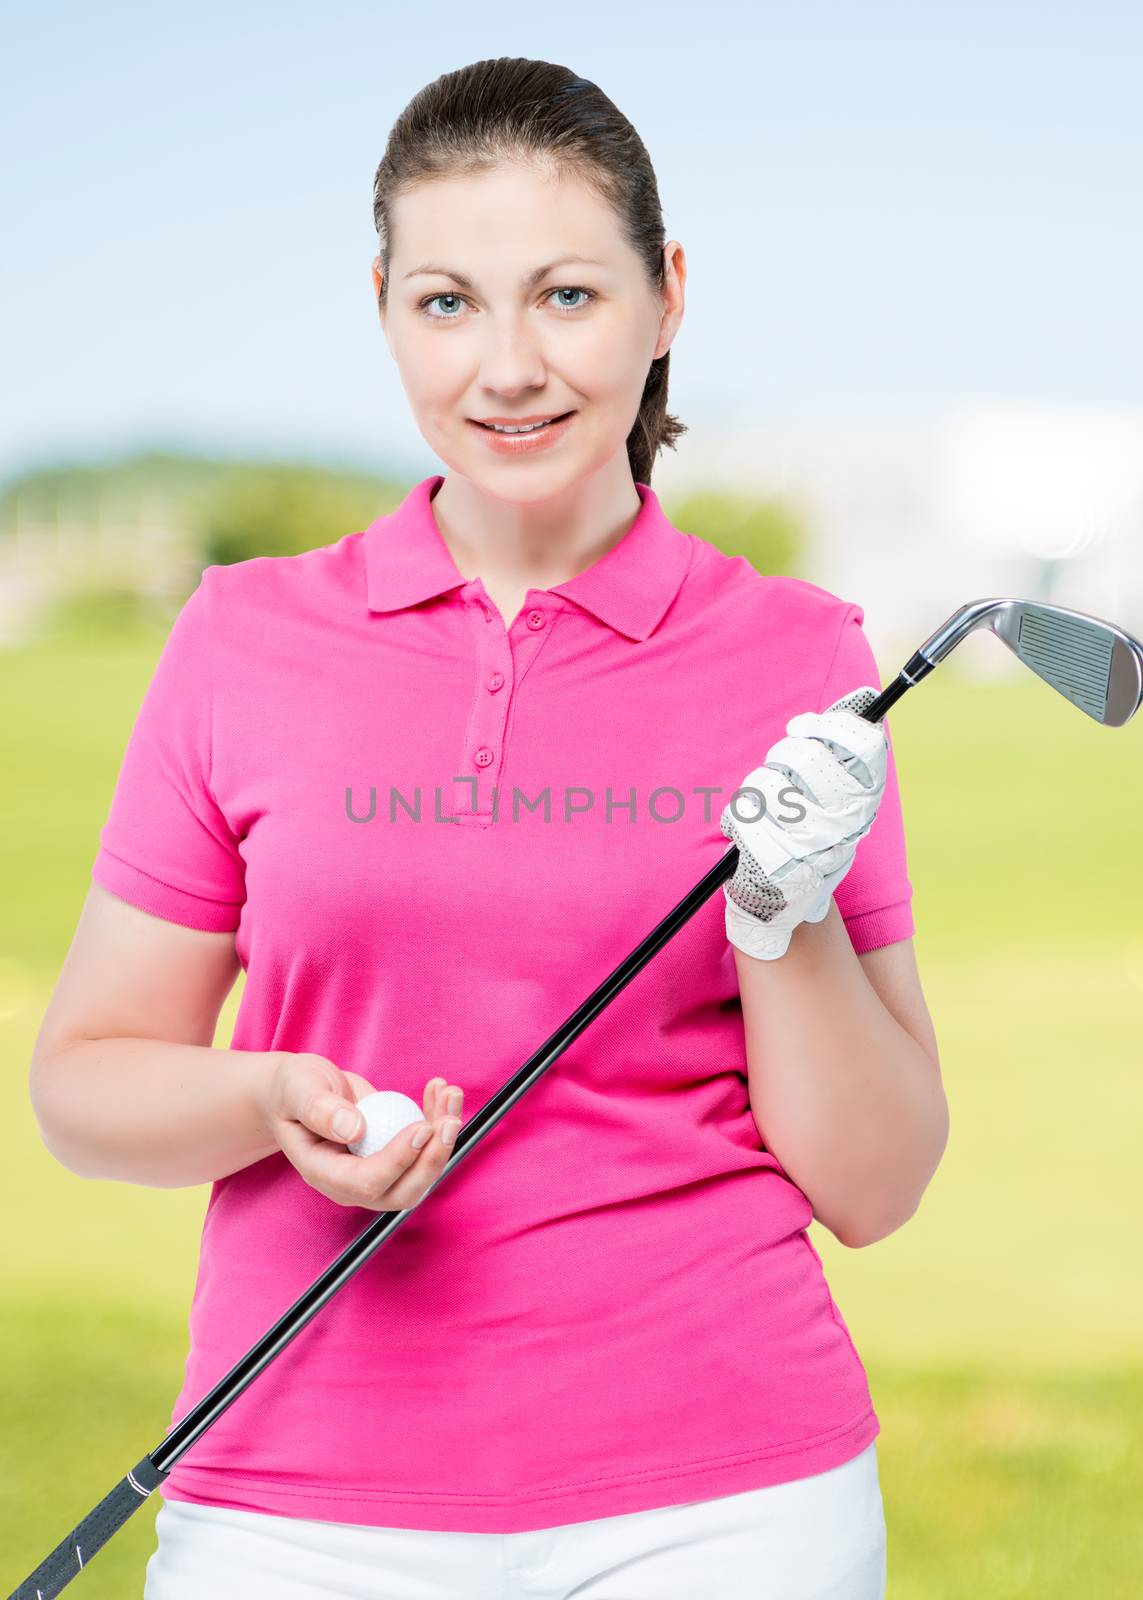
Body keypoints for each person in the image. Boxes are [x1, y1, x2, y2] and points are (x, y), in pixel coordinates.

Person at [29, 55, 948, 1600]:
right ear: (384, 304)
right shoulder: (243, 636)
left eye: (569, 297)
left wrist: (780, 921)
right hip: (292, 1491)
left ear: (666, 296)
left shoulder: (802, 658)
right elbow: (84, 1088)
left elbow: (878, 1182)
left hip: (725, 1507)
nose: (508, 366)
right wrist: (269, 1102)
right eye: (448, 301)